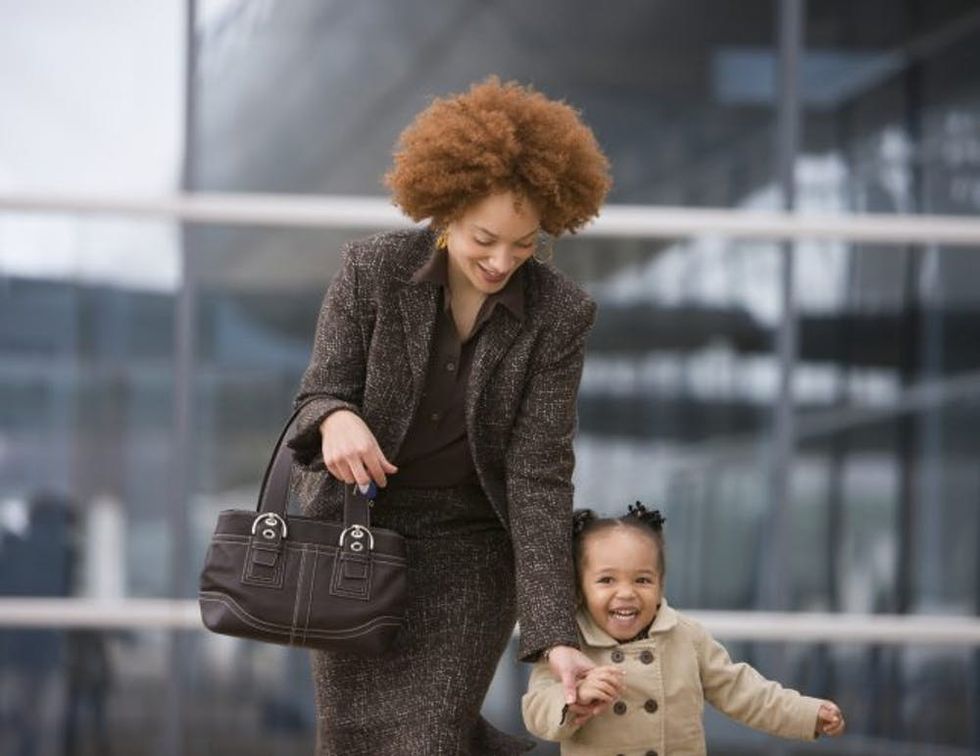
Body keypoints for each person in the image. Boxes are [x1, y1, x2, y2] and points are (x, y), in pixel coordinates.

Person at [287, 76, 611, 755]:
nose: (502, 262)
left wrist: (553, 633)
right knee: (353, 739)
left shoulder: (560, 315)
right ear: (444, 209)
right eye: (483, 238)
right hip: (358, 536)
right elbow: (318, 393)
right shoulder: (369, 271)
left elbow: (538, 475)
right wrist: (335, 419)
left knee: (429, 736)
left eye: (525, 245)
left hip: (471, 551)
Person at [522, 504, 846, 755]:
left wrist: (806, 713)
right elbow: (536, 710)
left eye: (642, 580)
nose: (626, 592)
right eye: (607, 580)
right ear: (579, 588)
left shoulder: (686, 636)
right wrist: (574, 697)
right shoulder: (567, 644)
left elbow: (744, 691)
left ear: (661, 584)